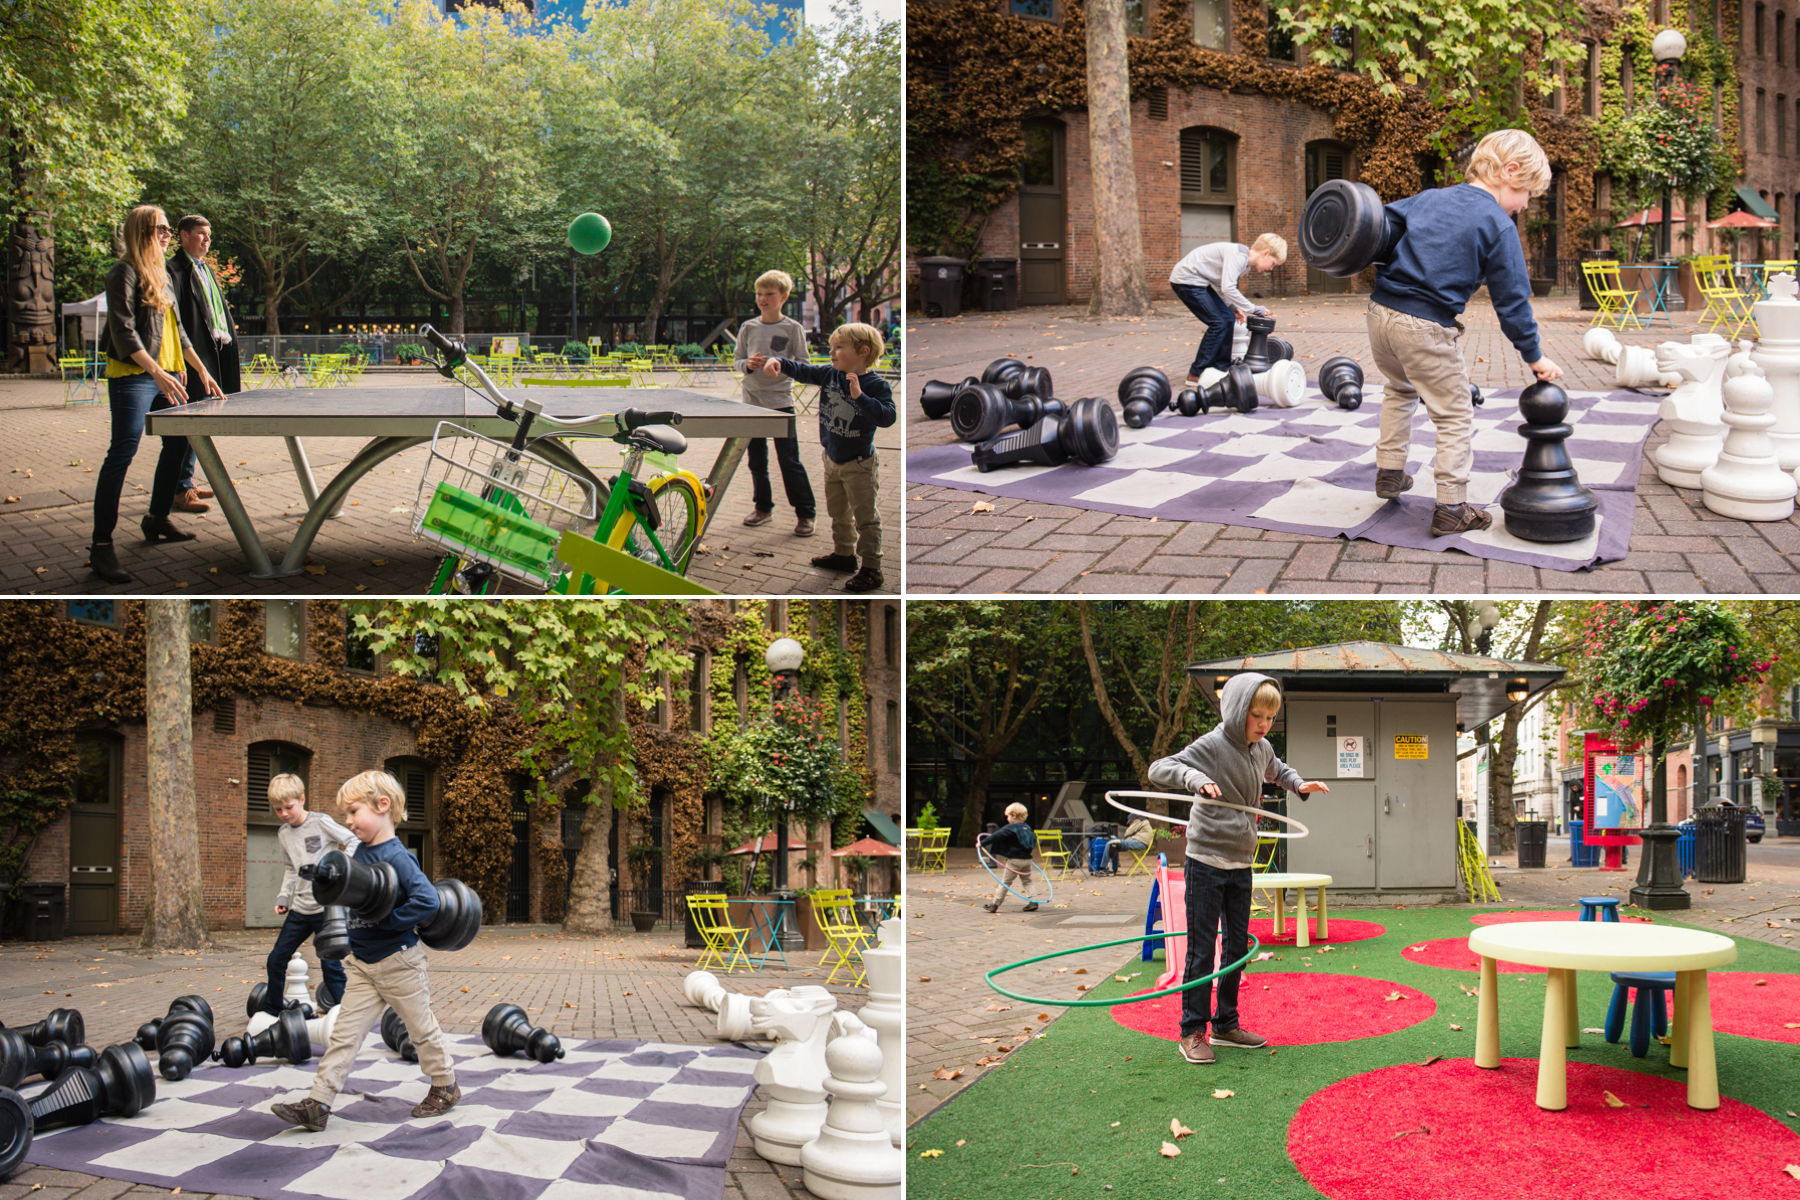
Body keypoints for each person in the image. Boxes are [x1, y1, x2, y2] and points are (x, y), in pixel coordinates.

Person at [1366, 127, 1564, 537]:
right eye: (1527, 193)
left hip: (1379, 313)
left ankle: (1389, 472)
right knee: (1454, 413)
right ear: (1510, 171)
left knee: (1399, 389)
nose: (1525, 205)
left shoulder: (1430, 197)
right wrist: (1535, 356)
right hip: (1425, 326)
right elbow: (1512, 302)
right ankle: (1452, 508)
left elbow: (1377, 224)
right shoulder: (1497, 224)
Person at [1148, 673, 1330, 1065]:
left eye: (1270, 717)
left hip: (1241, 862)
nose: (1264, 724)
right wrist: (1194, 778)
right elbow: (1160, 768)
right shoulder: (1213, 745)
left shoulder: (1260, 748)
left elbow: (1278, 770)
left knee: (1236, 948)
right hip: (1206, 860)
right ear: (1236, 711)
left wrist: (1299, 784)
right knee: (1201, 951)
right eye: (1256, 715)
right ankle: (1191, 1030)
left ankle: (1226, 1024)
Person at [272, 770, 458, 1132]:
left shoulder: (398, 857)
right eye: (346, 815)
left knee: (420, 1030)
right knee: (344, 1034)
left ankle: (445, 1085)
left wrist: (387, 923)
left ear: (383, 806)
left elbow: (427, 901)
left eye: (354, 811)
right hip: (361, 964)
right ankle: (319, 1103)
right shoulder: (356, 854)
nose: (348, 821)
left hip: (400, 961)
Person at [88, 204, 225, 585]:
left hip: (168, 374)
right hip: (135, 375)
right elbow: (124, 331)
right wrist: (157, 372)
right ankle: (101, 546)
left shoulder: (162, 275)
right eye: (161, 228)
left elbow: (178, 332)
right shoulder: (123, 271)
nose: (167, 234)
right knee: (122, 452)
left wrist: (201, 370)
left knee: (179, 443)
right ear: (142, 232)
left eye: (168, 229)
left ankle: (158, 518)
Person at [748, 322, 895, 593]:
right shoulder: (830, 375)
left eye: (839, 347)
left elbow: (888, 417)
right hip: (832, 460)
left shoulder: (876, 385)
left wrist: (860, 397)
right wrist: (776, 361)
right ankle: (844, 555)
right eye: (831, 347)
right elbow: (804, 370)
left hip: (859, 464)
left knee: (865, 518)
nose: (832, 353)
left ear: (863, 351)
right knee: (838, 513)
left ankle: (872, 568)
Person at [166, 214, 240, 515]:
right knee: (190, 424)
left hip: (211, 353)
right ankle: (180, 489)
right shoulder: (174, 269)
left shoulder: (204, 268)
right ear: (183, 236)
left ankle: (187, 481)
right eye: (200, 234)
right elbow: (177, 321)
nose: (207, 239)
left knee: (199, 422)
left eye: (209, 234)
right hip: (191, 357)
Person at [264, 773, 356, 1015]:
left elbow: (353, 840)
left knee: (331, 966)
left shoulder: (320, 822)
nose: (284, 813)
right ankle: (273, 1012)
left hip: (328, 908)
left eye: (289, 807)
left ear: (302, 799)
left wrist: (341, 866)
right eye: (278, 809)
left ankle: (346, 1017)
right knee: (276, 960)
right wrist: (283, 896)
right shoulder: (283, 833)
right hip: (301, 908)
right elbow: (290, 868)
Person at [733, 270, 816, 537]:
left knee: (790, 461)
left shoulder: (793, 328)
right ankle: (763, 508)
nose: (763, 298)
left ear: (784, 297)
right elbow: (736, 361)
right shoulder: (748, 327)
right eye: (759, 293)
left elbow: (804, 366)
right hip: (751, 404)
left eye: (769, 294)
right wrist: (748, 364)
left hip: (781, 402)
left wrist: (780, 365)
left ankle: (806, 514)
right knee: (756, 460)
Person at [1169, 233, 1287, 388]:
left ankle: (1222, 367)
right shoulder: (1238, 256)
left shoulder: (1244, 265)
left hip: (1201, 282)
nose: (1271, 268)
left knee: (1228, 319)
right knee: (1218, 323)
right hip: (1187, 280)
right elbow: (1228, 287)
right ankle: (1196, 373)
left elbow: (1220, 286)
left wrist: (1232, 307)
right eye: (1272, 263)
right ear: (1265, 253)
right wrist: (1253, 308)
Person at [979, 803, 1039, 914]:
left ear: (1014, 815)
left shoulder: (1011, 828)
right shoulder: (1027, 828)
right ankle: (1033, 902)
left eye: (1008, 816)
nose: (1007, 819)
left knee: (1005, 883)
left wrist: (981, 843)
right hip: (1027, 860)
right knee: (1027, 882)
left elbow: (995, 836)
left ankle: (994, 905)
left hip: (1014, 860)